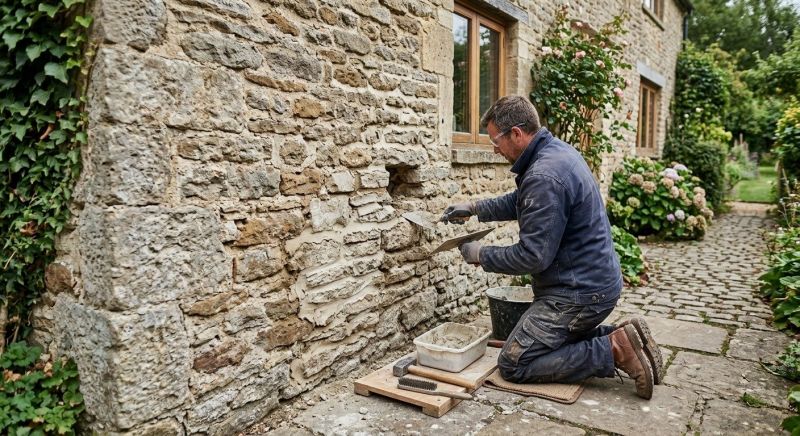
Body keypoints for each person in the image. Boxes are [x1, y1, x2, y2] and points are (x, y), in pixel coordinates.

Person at [441, 95, 662, 399]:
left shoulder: (544, 175)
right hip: (592, 282)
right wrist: (475, 206)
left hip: (576, 294)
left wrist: (481, 255)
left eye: (495, 140)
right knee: (535, 344)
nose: (494, 148)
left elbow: (533, 257)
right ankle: (622, 337)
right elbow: (523, 202)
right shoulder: (555, 154)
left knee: (515, 362)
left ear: (516, 134)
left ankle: (613, 350)